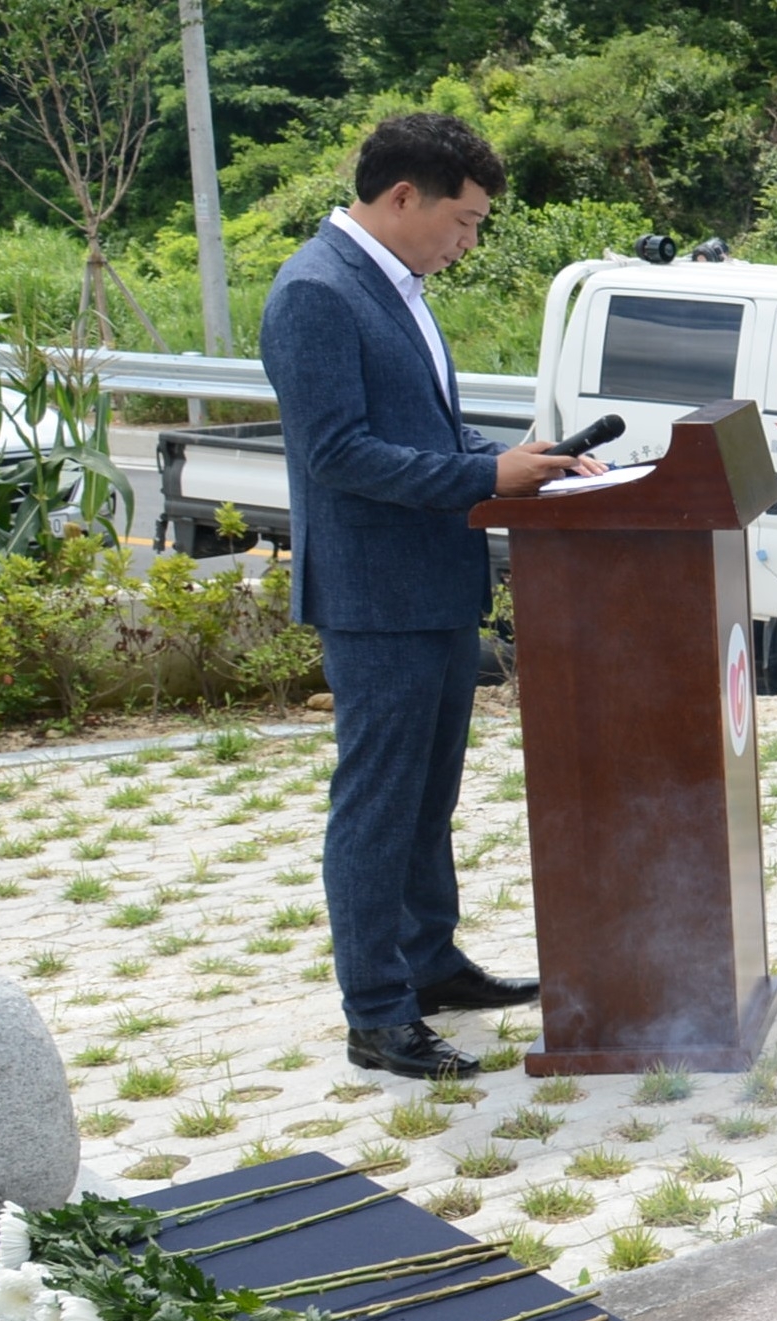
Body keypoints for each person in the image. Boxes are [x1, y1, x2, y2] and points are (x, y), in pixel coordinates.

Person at [258, 112, 594, 1081]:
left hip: (437, 581)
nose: (471, 241)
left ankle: (429, 964)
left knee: (426, 800)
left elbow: (424, 426)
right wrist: (488, 472)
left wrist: (530, 464)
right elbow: (338, 454)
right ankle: (376, 1012)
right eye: (468, 220)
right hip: (376, 594)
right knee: (377, 805)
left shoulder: (396, 285)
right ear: (405, 196)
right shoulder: (317, 291)